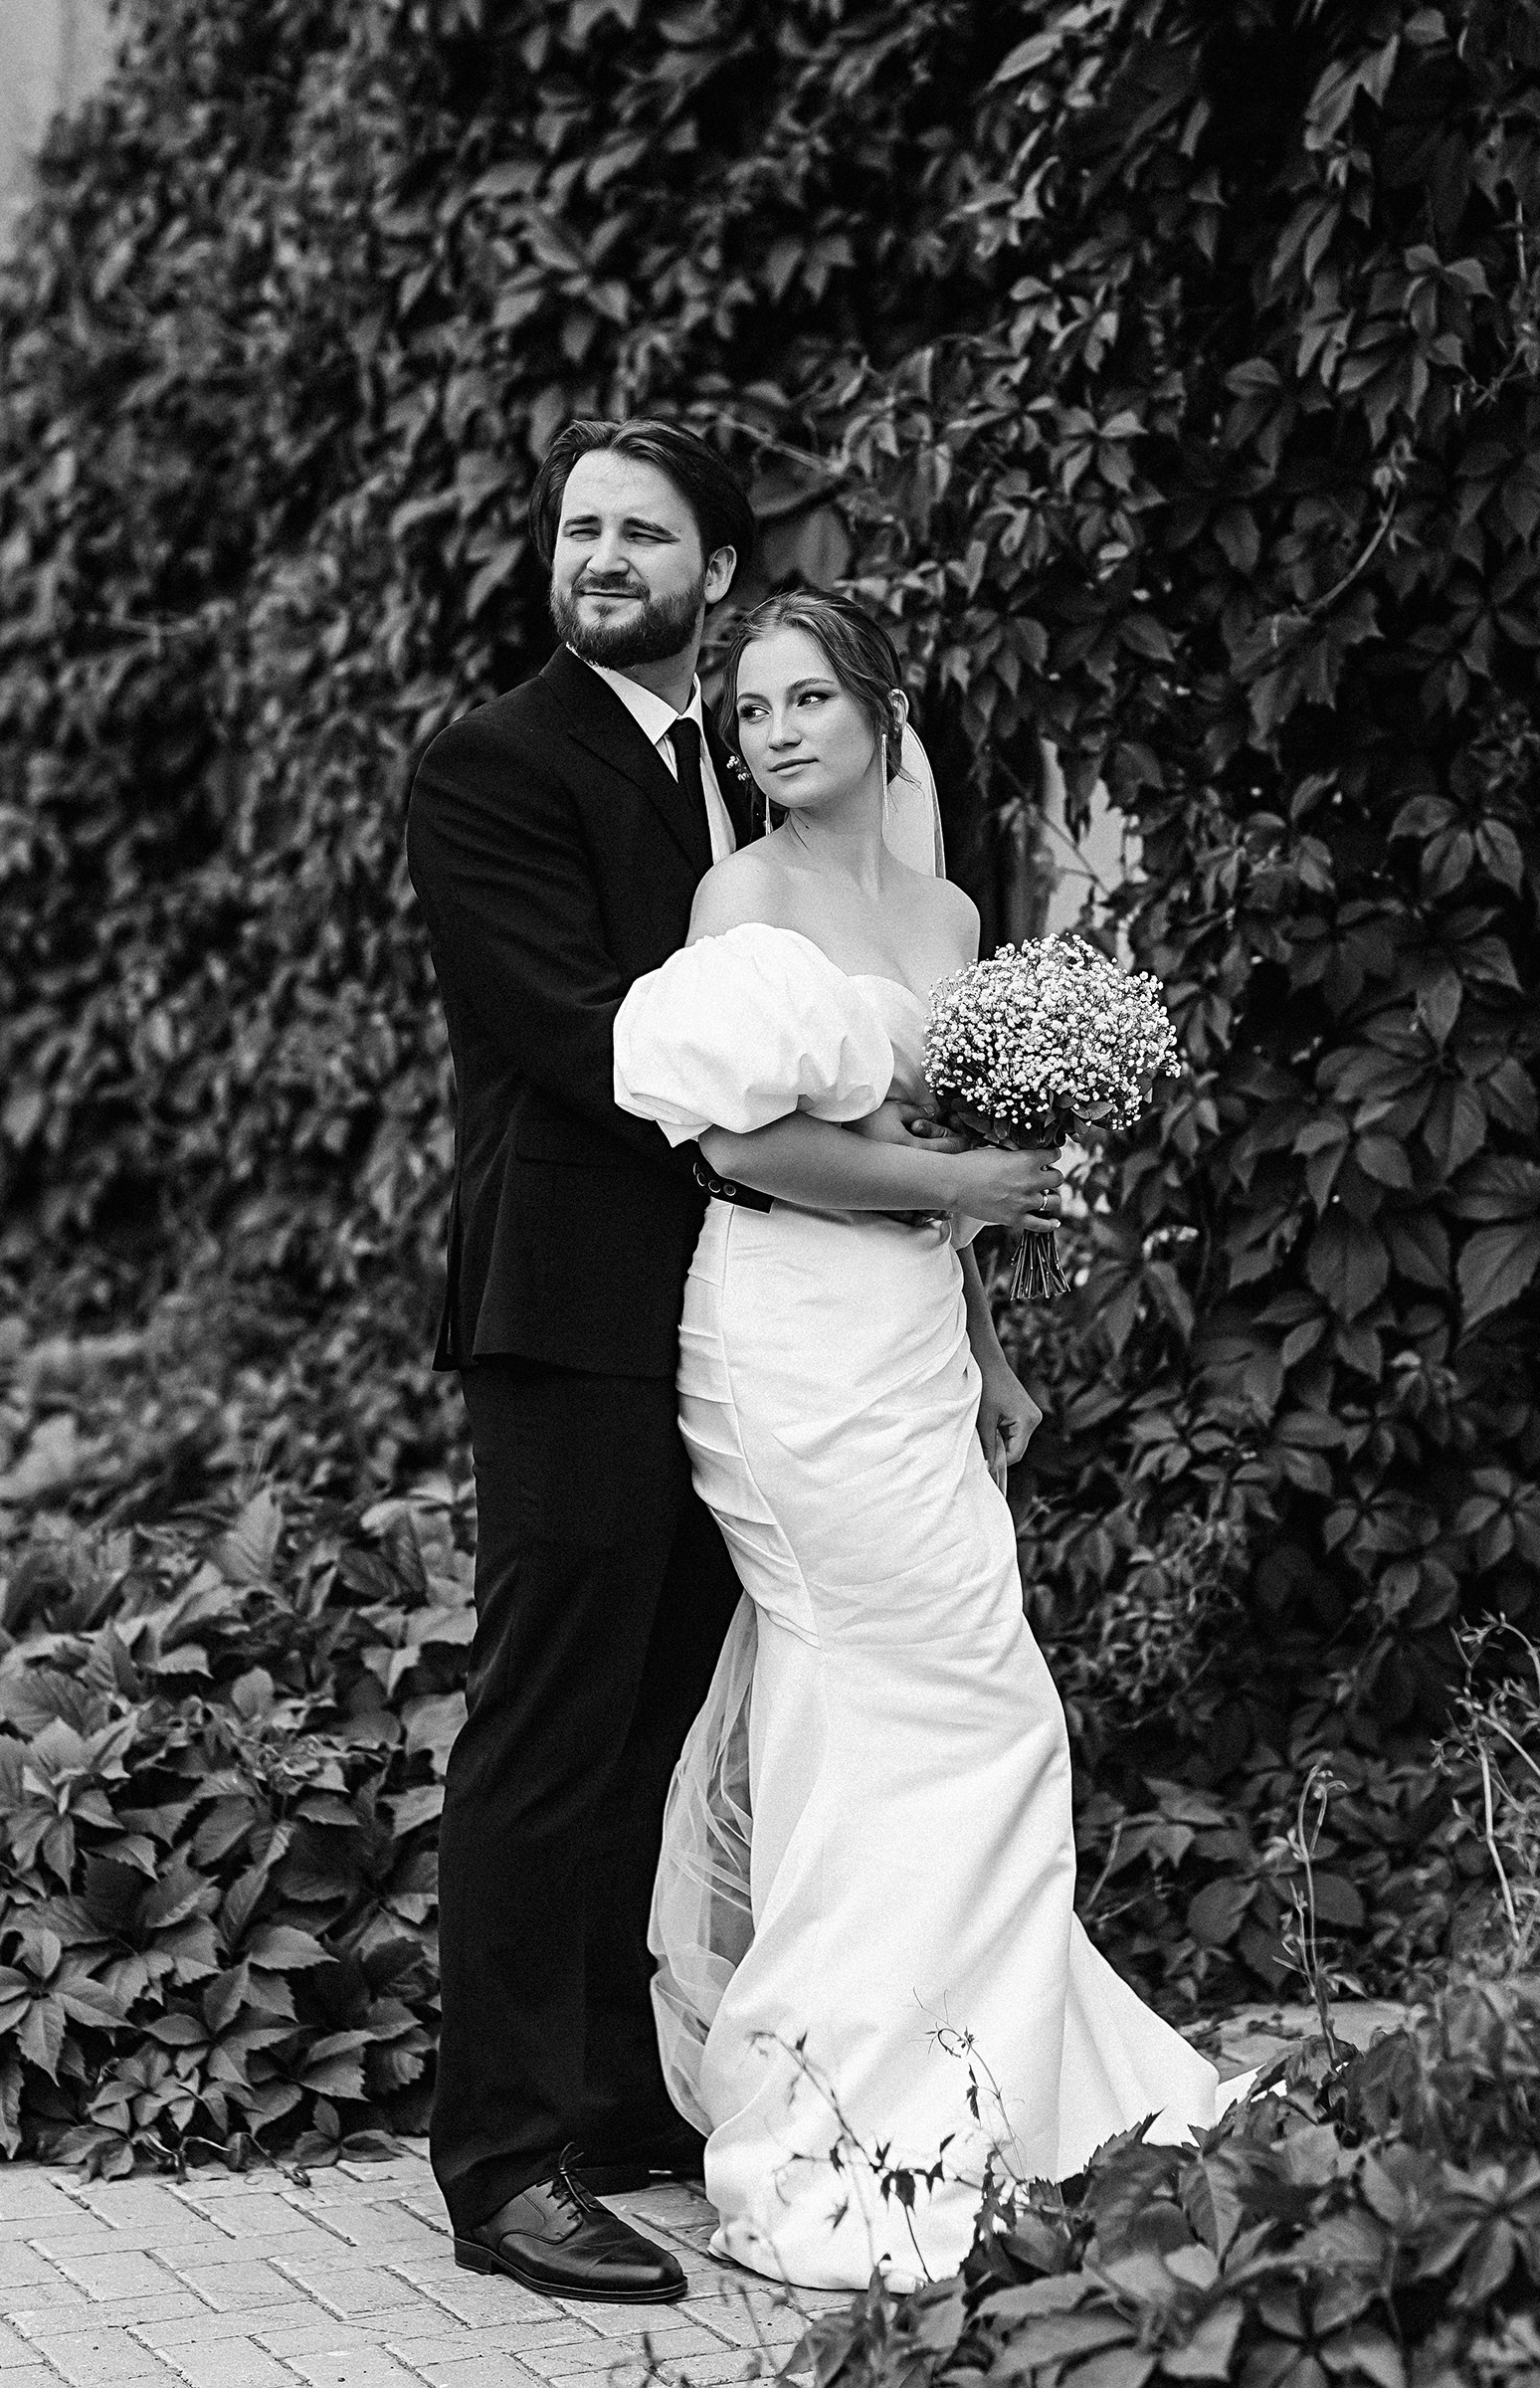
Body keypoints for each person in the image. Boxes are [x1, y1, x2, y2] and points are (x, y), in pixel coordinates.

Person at [406, 426, 1063, 2305]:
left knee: (670, 1717)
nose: (602, 554)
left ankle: (623, 2099)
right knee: (548, 1725)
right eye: (578, 528)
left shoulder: (745, 756)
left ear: (714, 566)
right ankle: (503, 2169)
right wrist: (876, 1157)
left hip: (756, 1329)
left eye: (644, 530)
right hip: (572, 1308)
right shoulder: (494, 763)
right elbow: (580, 1036)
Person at [611, 591, 1252, 2293]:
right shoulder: (742, 899)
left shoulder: (953, 910)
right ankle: (837, 2110)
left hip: (907, 1332)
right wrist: (962, 1182)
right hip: (786, 1334)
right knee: (962, 1697)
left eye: (806, 700)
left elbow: (945, 1187)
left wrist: (987, 1352)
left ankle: (969, 2084)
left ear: (881, 712)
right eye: (751, 713)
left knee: (885, 1709)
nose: (774, 735)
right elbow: (741, 1154)